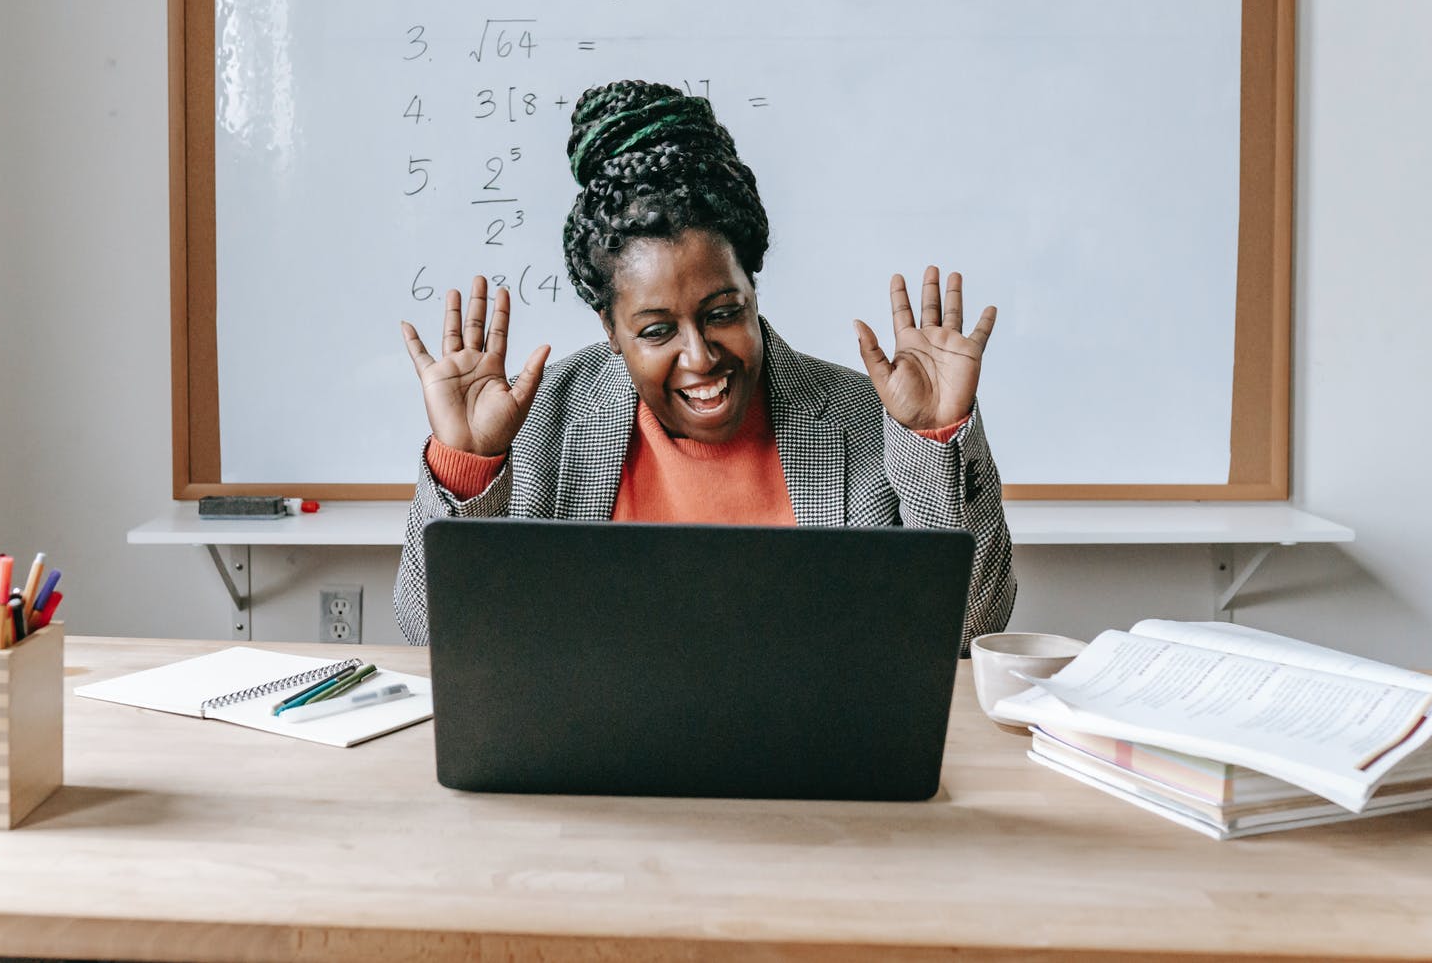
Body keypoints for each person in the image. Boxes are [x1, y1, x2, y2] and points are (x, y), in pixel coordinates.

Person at [394, 80, 1015, 651]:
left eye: (722, 313)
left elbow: (969, 630)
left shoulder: (866, 421)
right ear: (611, 330)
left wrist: (934, 440)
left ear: (752, 291)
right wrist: (468, 467)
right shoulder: (539, 425)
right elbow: (431, 634)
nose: (699, 357)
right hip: (599, 765)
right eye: (658, 330)